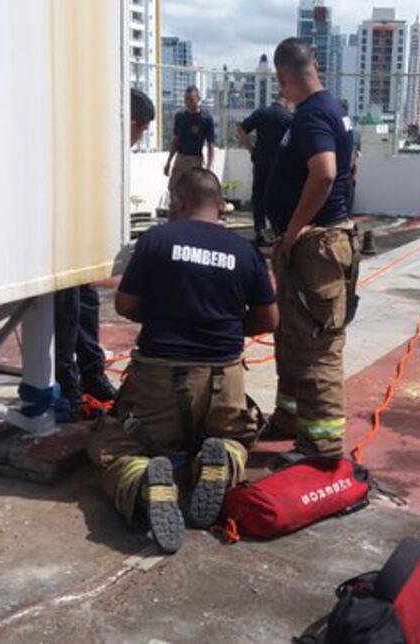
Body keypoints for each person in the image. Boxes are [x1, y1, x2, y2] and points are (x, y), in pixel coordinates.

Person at [86, 168, 279, 553]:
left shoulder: (157, 240)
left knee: (112, 441)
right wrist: (221, 325)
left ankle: (142, 481)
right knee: (237, 435)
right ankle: (222, 458)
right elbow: (269, 320)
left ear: (179, 202)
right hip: (223, 382)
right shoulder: (245, 251)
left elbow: (124, 304)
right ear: (221, 205)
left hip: (159, 381)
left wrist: (165, 314)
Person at [265, 37, 359, 459]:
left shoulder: (312, 116)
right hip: (316, 242)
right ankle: (289, 417)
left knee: (318, 344)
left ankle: (321, 443)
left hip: (315, 245)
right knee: (292, 335)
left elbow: (324, 174)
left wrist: (293, 231)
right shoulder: (329, 109)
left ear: (283, 77)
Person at [51, 88, 157, 406]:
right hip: (61, 244)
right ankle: (67, 386)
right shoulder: (82, 147)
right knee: (66, 312)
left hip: (80, 245)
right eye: (142, 130)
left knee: (86, 303)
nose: (139, 138)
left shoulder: (103, 150)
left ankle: (91, 374)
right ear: (134, 122)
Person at [237, 93, 294, 245]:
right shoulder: (290, 118)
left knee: (258, 196)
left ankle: (259, 230)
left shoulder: (262, 113)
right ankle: (278, 229)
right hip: (280, 164)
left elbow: (241, 129)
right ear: (288, 100)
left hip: (261, 161)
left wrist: (251, 149)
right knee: (279, 197)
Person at [163, 86, 216, 200]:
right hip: (181, 158)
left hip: (195, 159)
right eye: (186, 99)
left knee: (194, 191)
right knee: (174, 188)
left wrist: (209, 168)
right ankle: (175, 216)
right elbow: (176, 140)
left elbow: (210, 144)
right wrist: (168, 162)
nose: (188, 102)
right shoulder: (180, 117)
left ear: (198, 99)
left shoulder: (206, 119)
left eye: (191, 99)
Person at [340, 99, 360, 213]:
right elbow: (356, 154)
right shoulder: (353, 129)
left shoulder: (338, 125)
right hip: (349, 173)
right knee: (347, 208)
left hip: (341, 173)